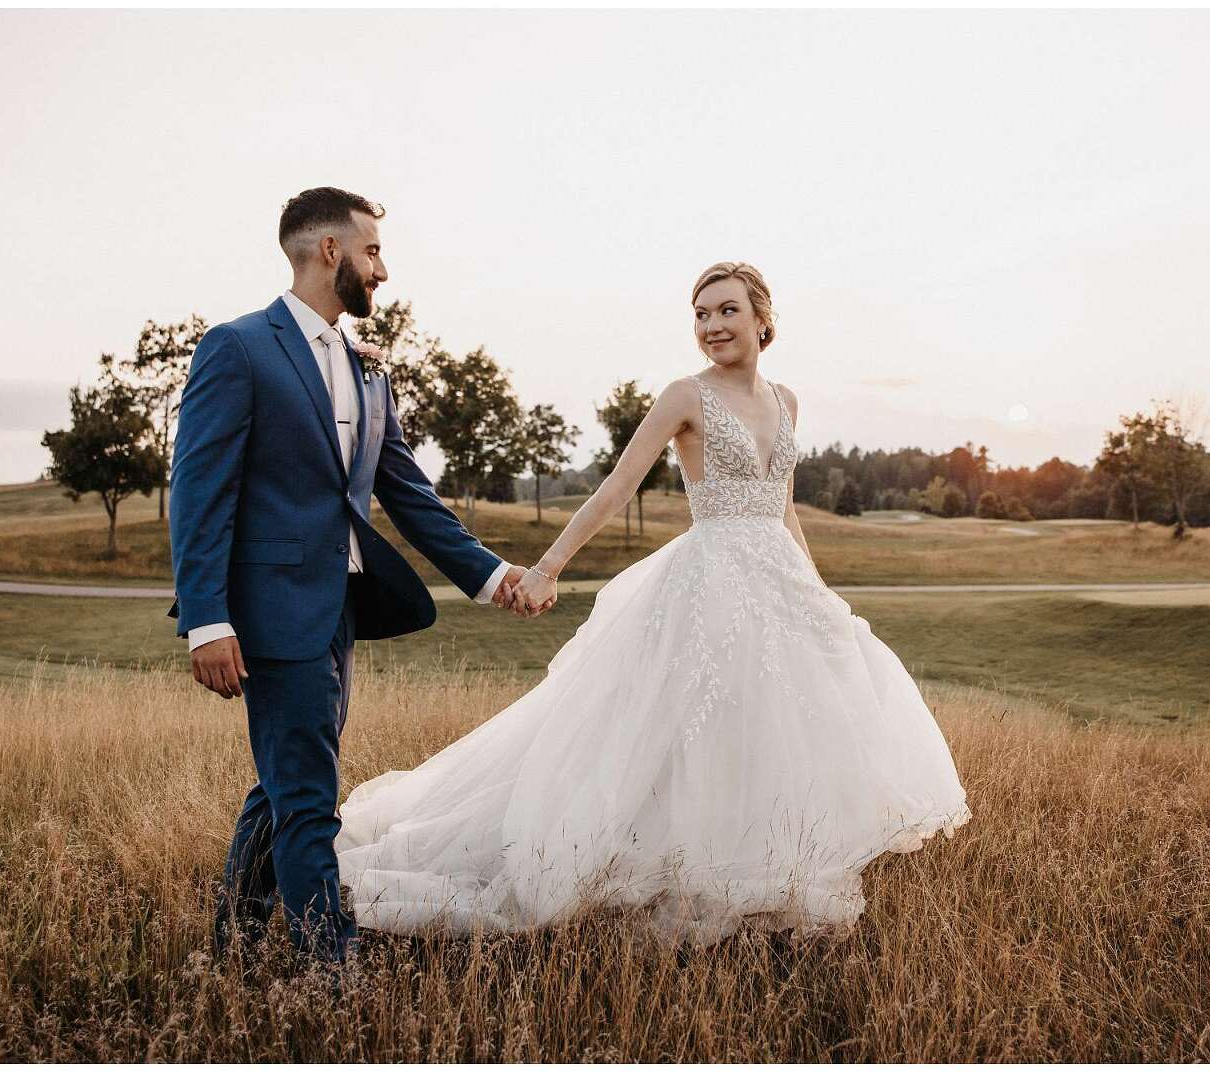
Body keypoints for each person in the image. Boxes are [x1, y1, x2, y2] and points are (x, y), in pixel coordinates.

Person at [334, 261, 971, 945]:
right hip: (710, 582)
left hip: (778, 580)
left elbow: (783, 506)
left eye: (726, 311)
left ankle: (768, 865)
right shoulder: (684, 396)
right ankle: (672, 866)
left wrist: (815, 592)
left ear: (762, 317)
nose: (712, 327)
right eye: (700, 315)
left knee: (774, 725)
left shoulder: (788, 400)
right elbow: (616, 487)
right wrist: (548, 567)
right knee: (688, 726)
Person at [168, 187, 535, 969]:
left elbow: (406, 490)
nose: (384, 270)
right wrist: (207, 619)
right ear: (329, 250)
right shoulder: (236, 348)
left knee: (287, 779)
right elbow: (200, 493)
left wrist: (492, 574)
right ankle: (329, 973)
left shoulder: (369, 368)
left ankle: (233, 941)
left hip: (338, 608)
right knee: (307, 795)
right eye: (372, 251)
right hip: (268, 612)